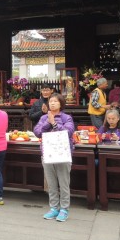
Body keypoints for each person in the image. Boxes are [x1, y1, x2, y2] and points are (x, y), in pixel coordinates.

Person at [33, 93, 75, 222]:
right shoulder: (43, 117)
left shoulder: (67, 117)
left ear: (61, 104)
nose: (52, 103)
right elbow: (37, 132)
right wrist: (48, 123)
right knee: (51, 183)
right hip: (47, 153)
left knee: (63, 183)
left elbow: (68, 132)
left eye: (55, 101)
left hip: (62, 154)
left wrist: (55, 124)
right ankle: (54, 208)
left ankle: (64, 209)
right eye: (50, 101)